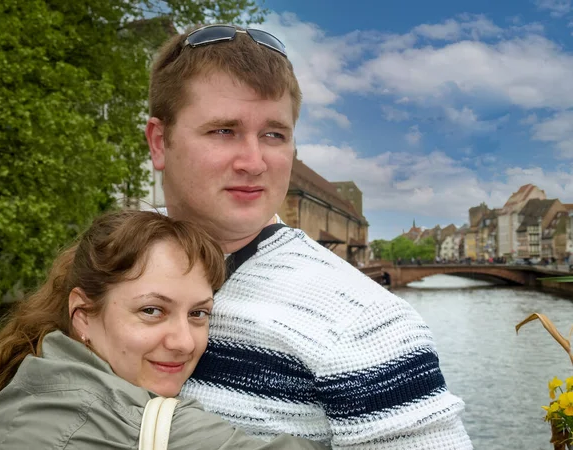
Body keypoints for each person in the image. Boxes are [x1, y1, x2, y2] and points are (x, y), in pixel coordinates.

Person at [145, 24, 472, 449]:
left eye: (274, 135)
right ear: (159, 143)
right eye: (224, 131)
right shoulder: (112, 262)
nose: (254, 161)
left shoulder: (364, 324)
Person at [0, 210, 325, 449]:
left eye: (199, 313)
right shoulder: (136, 425)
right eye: (152, 310)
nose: (184, 342)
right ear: (83, 315)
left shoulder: (30, 382)